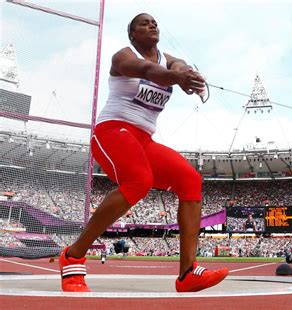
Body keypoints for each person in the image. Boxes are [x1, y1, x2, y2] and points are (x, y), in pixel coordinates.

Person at [59, 13, 228, 293]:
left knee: (191, 180)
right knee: (139, 180)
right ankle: (73, 255)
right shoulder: (123, 57)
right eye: (144, 23)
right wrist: (177, 77)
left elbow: (178, 66)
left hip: (143, 140)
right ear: (132, 34)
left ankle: (187, 274)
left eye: (155, 23)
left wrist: (187, 75)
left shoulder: (169, 60)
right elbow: (149, 72)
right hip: (112, 132)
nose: (152, 25)